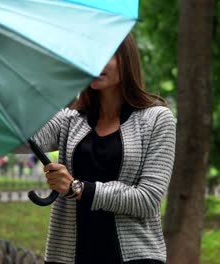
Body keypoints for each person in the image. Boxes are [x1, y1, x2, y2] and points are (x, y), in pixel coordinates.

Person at [30, 33, 176, 264]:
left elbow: (148, 199)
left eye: (106, 55)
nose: (95, 63)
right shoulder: (70, 120)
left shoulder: (156, 119)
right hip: (71, 256)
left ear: (126, 60)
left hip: (134, 258)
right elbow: (21, 137)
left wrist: (78, 189)